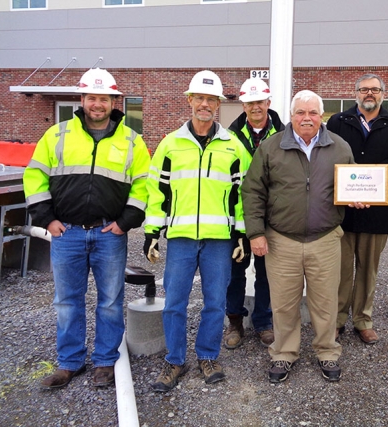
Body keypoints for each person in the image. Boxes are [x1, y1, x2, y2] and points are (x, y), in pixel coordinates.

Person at [23, 68, 150, 389]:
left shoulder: (131, 141)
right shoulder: (57, 135)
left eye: (104, 98)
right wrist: (47, 219)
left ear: (113, 102)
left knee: (110, 301)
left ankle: (105, 362)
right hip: (67, 232)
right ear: (82, 99)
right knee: (67, 301)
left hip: (110, 234)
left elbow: (143, 187)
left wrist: (125, 224)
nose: (97, 104)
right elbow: (35, 177)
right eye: (92, 97)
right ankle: (70, 362)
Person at [242, 90, 363, 383]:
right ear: (292, 115)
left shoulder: (339, 146)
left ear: (321, 116)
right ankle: (283, 353)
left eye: (312, 113)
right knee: (283, 302)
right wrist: (256, 233)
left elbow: (354, 181)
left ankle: (327, 351)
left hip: (325, 238)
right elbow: (253, 191)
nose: (306, 118)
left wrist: (358, 196)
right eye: (300, 113)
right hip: (282, 239)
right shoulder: (271, 148)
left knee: (325, 302)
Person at [144, 70, 250, 392]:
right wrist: (152, 231)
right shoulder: (170, 144)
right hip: (181, 239)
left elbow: (242, 195)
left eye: (211, 99)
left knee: (215, 302)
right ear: (190, 100)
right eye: (200, 98)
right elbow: (157, 191)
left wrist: (242, 233)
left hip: (219, 240)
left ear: (218, 104)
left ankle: (207, 356)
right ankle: (175, 361)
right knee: (174, 301)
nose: (205, 104)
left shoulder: (233, 146)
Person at [326, 73, 388, 344]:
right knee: (339, 270)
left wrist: (370, 187)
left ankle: (363, 319)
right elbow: (326, 156)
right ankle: (337, 319)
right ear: (356, 94)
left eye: (375, 90)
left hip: (378, 212)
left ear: (383, 94)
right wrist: (351, 189)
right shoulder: (338, 122)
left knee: (368, 270)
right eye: (364, 90)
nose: (369, 94)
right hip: (342, 211)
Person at [224, 78, 285, 349]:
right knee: (234, 273)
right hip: (237, 217)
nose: (255, 107)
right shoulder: (228, 135)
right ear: (243, 104)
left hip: (271, 218)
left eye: (260, 101)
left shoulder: (284, 134)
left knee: (266, 272)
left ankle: (263, 321)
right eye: (250, 102)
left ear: (268, 103)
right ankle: (235, 322)